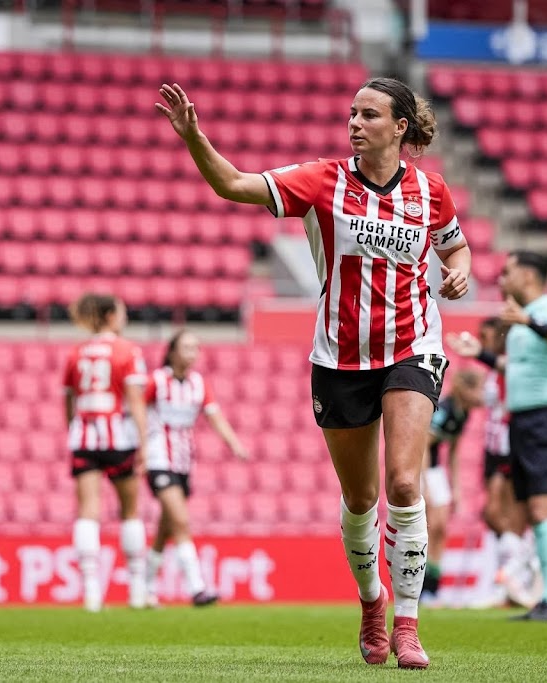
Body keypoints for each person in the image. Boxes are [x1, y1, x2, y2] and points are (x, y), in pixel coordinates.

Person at [156, 76, 472, 669]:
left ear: (400, 128)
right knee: (361, 498)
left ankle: (408, 623)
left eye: (369, 114)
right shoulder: (323, 180)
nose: (355, 122)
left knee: (406, 485)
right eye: (352, 113)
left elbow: (455, 246)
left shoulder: (432, 192)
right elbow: (232, 185)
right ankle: (371, 601)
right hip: (339, 357)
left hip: (413, 345)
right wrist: (195, 138)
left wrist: (459, 271)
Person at [459, 252, 547, 622]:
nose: (502, 279)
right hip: (521, 423)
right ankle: (546, 598)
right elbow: (515, 367)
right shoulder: (522, 322)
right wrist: (482, 356)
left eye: (507, 273)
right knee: (532, 512)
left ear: (527, 275)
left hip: (544, 420)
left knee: (542, 508)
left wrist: (527, 319)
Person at [143, 330, 248, 608]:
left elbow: (216, 417)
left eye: (195, 348)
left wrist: (234, 445)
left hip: (183, 462)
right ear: (173, 351)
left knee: (166, 527)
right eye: (186, 347)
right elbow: (137, 411)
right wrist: (137, 450)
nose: (192, 353)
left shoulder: (198, 384)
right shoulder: (157, 381)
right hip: (157, 458)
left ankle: (145, 587)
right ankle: (197, 588)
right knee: (181, 519)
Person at [447, 318, 541, 609]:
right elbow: (479, 399)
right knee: (493, 515)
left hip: (508, 445)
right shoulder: (491, 375)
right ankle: (510, 578)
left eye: (486, 337)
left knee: (503, 512)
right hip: (493, 446)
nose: (482, 341)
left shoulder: (508, 368)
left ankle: (520, 571)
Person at [64, 292, 149, 611]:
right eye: (123, 312)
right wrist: (143, 442)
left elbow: (68, 400)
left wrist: (73, 430)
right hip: (118, 435)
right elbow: (136, 401)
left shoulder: (77, 352)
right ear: (111, 316)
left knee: (88, 510)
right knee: (130, 510)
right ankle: (137, 589)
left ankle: (90, 592)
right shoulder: (127, 350)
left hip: (84, 435)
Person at [419, 368, 483, 606]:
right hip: (424, 469)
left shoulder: (462, 413)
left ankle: (433, 589)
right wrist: (423, 482)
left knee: (441, 529)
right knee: (431, 526)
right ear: (464, 389)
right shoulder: (444, 410)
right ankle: (421, 587)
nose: (482, 395)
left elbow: (453, 451)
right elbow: (425, 444)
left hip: (436, 472)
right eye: (477, 389)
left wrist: (456, 488)